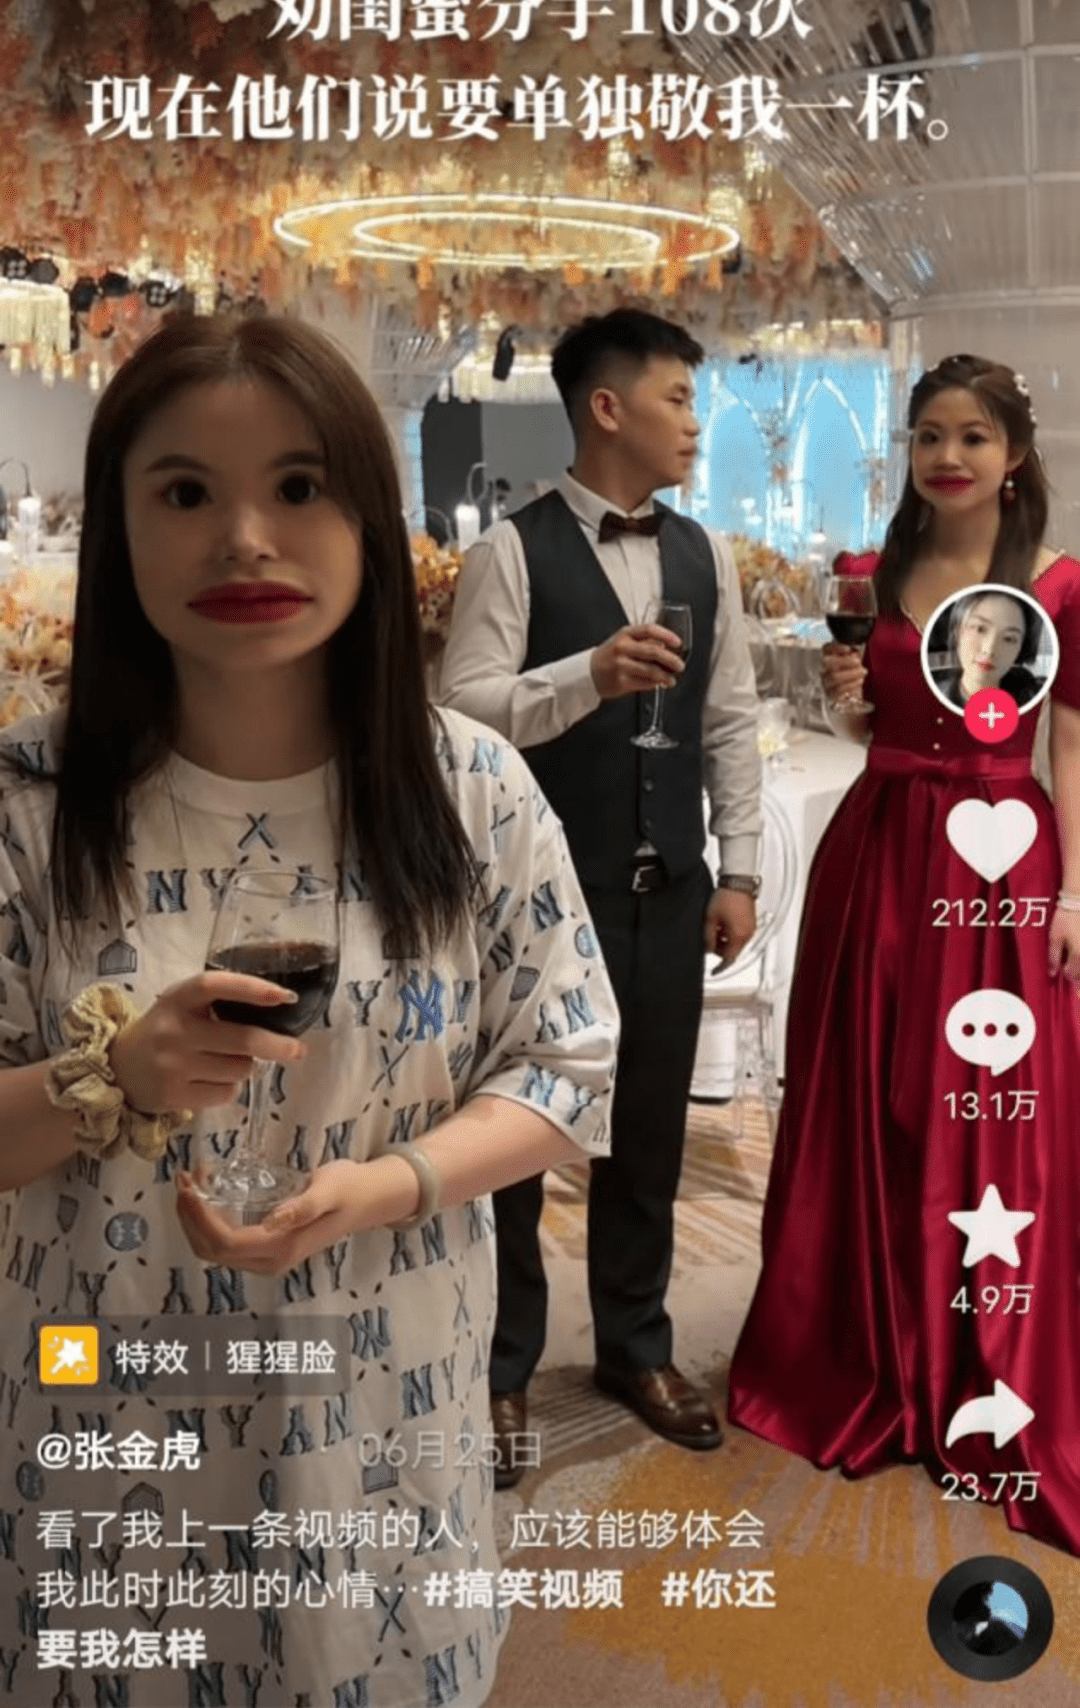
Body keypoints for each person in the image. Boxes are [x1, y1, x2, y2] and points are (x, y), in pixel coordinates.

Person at [0, 313, 618, 1707]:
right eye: (184, 493)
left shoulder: (468, 789)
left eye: (298, 487)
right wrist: (115, 1077)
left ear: (368, 519)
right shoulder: (27, 805)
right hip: (109, 1390)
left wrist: (387, 1185)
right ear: (117, 523)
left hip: (381, 1390)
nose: (244, 540)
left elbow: (570, 1058)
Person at [727, 353, 1080, 1557]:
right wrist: (847, 701)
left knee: (976, 1105)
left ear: (1013, 455)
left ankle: (977, 1355)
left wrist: (1075, 890)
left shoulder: (1057, 584)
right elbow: (869, 719)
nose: (948, 456)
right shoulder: (877, 573)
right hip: (878, 850)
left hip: (1000, 864)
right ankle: (874, 1345)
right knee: (871, 1097)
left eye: (973, 436)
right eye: (930, 435)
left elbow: (1068, 744)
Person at [439, 306, 762, 1479]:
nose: (694, 423)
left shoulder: (708, 554)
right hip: (536, 898)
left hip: (666, 888)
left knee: (650, 1134)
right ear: (608, 407)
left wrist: (740, 866)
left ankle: (636, 1344)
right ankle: (499, 1367)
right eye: (678, 399)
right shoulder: (510, 550)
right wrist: (587, 673)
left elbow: (730, 718)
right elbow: (461, 709)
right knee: (512, 1144)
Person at [929, 587, 1046, 709]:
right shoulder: (926, 701)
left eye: (1008, 638)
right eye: (980, 629)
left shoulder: (1036, 699)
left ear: (1021, 648)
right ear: (957, 632)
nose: (989, 650)